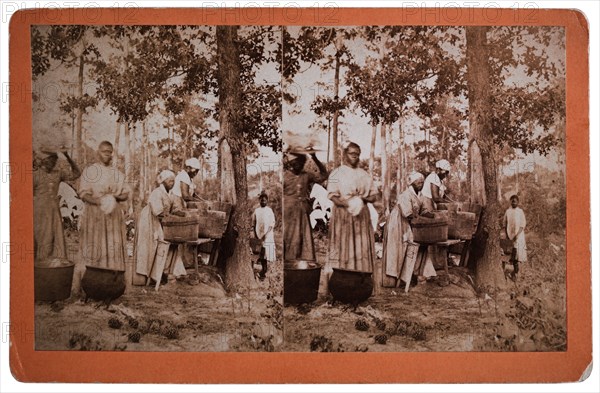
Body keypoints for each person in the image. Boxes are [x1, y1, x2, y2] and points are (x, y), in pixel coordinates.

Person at [327, 142, 378, 275]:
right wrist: (346, 203)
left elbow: (374, 196)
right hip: (343, 214)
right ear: (345, 154)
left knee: (361, 246)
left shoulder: (364, 175)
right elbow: (332, 195)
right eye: (352, 154)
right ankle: (340, 279)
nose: (355, 157)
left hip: (361, 215)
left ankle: (360, 279)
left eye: (357, 154)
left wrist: (362, 200)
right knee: (343, 245)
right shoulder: (336, 173)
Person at [78, 141, 130, 273]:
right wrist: (99, 201)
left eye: (109, 152)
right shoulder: (90, 171)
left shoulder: (117, 173)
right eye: (104, 151)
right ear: (98, 153)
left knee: (113, 245)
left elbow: (125, 194)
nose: (107, 154)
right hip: (95, 214)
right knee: (95, 243)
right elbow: (83, 194)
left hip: (113, 214)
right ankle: (92, 277)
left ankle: (112, 277)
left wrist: (114, 198)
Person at [134, 170, 187, 286]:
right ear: (163, 182)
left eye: (173, 181)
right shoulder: (157, 193)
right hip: (149, 220)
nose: (172, 183)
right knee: (151, 246)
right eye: (170, 181)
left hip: (160, 221)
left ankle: (163, 272)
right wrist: (171, 216)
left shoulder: (171, 195)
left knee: (164, 244)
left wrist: (179, 213)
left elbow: (173, 208)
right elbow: (158, 211)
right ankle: (150, 275)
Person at [382, 171, 434, 287]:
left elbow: (422, 210)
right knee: (398, 248)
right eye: (418, 183)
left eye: (422, 182)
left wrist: (429, 215)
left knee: (414, 246)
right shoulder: (405, 195)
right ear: (412, 184)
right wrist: (420, 219)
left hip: (410, 223)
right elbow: (408, 214)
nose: (421, 184)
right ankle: (395, 278)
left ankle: (412, 274)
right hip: (398, 222)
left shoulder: (420, 196)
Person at [33, 147, 81, 262]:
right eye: (51, 159)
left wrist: (68, 157)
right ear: (44, 160)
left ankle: (53, 266)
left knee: (55, 236)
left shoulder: (58, 174)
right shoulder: (35, 174)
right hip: (39, 212)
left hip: (54, 212)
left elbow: (76, 173)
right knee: (41, 237)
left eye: (55, 159)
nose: (54, 162)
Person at [283, 149, 328, 261]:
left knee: (303, 237)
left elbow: (324, 175)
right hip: (288, 213)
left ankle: (303, 263)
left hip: (302, 212)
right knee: (290, 237)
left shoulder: (306, 175)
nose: (299, 165)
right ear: (291, 163)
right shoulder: (284, 176)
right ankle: (289, 263)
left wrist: (314, 158)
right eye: (296, 162)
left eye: (301, 162)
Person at [252, 191, 276, 280]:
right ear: (259, 201)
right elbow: (253, 223)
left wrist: (266, 235)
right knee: (259, 254)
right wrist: (256, 234)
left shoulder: (269, 210)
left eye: (265, 201)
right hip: (258, 235)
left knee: (266, 254)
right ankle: (260, 272)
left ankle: (264, 272)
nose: (263, 202)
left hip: (267, 236)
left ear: (267, 201)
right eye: (261, 201)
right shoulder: (256, 211)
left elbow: (272, 224)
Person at [503, 195, 527, 280]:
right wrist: (507, 235)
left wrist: (517, 235)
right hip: (509, 236)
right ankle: (505, 273)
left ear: (518, 202)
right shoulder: (508, 211)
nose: (514, 203)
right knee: (508, 254)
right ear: (510, 202)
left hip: (518, 236)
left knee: (516, 255)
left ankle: (515, 273)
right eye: (512, 201)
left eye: (515, 201)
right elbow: (505, 224)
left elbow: (522, 225)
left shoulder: (520, 211)